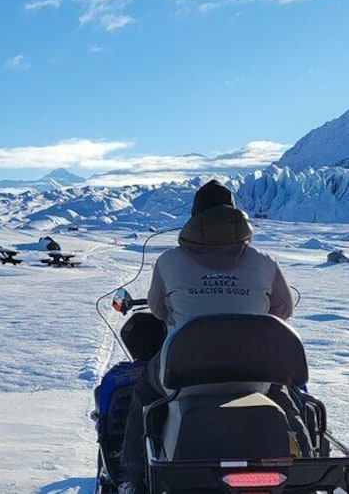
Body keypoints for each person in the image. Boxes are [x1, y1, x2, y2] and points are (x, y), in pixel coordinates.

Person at [118, 180, 297, 494]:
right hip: (254, 375)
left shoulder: (169, 261)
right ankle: (303, 455)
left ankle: (132, 478)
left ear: (193, 217)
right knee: (284, 390)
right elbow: (283, 307)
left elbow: (159, 311)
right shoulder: (264, 261)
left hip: (185, 373)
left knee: (144, 389)